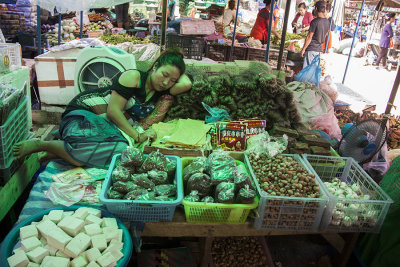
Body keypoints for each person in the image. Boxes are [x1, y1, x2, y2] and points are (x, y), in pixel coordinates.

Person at [13, 48, 193, 169]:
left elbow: (186, 83)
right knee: (119, 148)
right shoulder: (134, 77)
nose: (166, 82)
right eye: (164, 74)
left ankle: (61, 152)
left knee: (119, 151)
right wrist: (137, 135)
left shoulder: (162, 90)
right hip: (83, 113)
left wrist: (176, 66)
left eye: (172, 80)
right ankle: (42, 144)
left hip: (103, 126)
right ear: (155, 67)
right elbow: (113, 112)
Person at [300, 0, 330, 68]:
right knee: (313, 70)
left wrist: (303, 49)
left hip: (311, 49)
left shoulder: (315, 21)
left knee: (307, 70)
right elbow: (325, 35)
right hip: (319, 50)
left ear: (316, 9)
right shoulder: (327, 22)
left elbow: (309, 37)